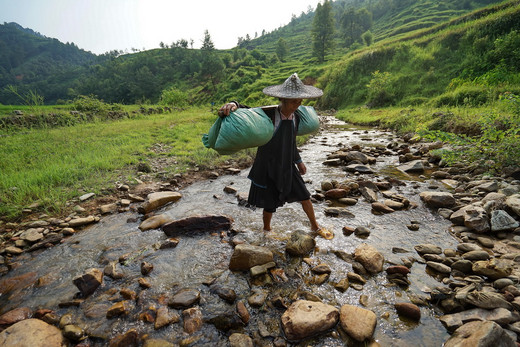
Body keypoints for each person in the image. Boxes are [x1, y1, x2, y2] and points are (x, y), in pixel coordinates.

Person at [219, 73, 331, 238]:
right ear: (283, 99)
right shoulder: (269, 114)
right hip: (268, 166)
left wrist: (299, 161)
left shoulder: (297, 117)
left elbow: (291, 142)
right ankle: (267, 230)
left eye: (300, 101)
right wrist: (233, 104)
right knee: (269, 203)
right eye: (294, 101)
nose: (298, 104)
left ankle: (315, 227)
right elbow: (246, 110)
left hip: (287, 165)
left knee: (305, 196)